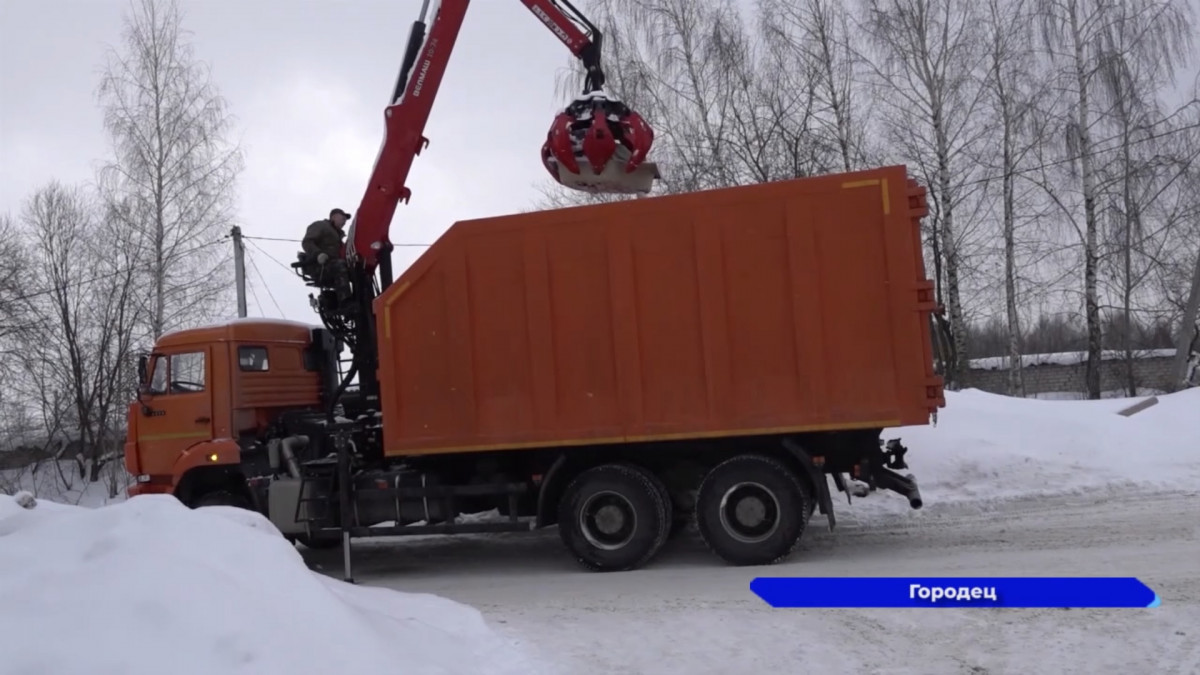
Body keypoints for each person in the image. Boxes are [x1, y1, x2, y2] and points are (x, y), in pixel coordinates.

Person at [301, 208, 353, 306]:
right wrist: (318, 254)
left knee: (357, 271)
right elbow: (307, 242)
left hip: (332, 265)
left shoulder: (338, 237)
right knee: (340, 265)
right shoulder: (321, 225)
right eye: (342, 218)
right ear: (333, 217)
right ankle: (345, 301)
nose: (344, 222)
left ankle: (360, 301)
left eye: (345, 220)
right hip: (320, 266)